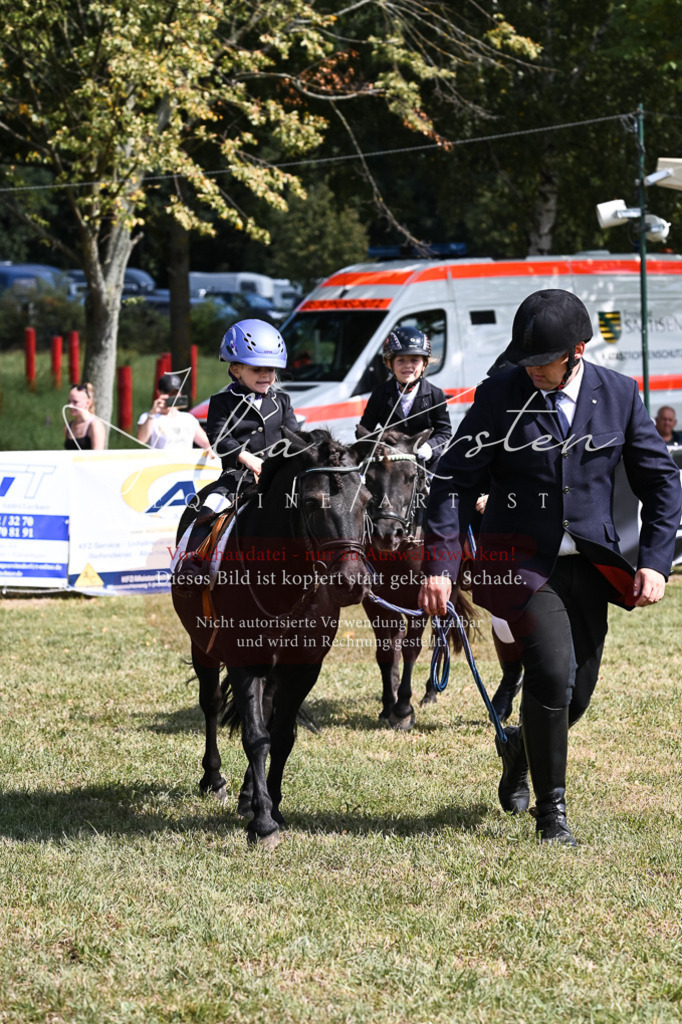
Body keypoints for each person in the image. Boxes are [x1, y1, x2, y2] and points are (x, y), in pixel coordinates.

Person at [418, 288, 681, 847]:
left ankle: (518, 746)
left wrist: (656, 561)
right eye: (526, 361)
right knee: (551, 674)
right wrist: (440, 564)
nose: (533, 371)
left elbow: (661, 482)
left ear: (578, 351)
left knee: (576, 693)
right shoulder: (498, 396)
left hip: (590, 565)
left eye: (544, 362)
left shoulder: (620, 395)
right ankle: (551, 814)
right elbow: (453, 483)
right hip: (520, 562)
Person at [205, 318, 300, 499]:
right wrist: (246, 457)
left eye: (271, 369)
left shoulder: (282, 401)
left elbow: (296, 436)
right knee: (209, 509)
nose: (265, 375)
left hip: (280, 476)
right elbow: (219, 439)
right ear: (236, 370)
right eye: (257, 369)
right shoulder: (221, 402)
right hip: (237, 479)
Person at [356, 326, 452, 467]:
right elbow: (365, 429)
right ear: (390, 364)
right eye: (401, 360)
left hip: (425, 464)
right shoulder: (380, 393)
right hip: (389, 464)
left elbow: (444, 432)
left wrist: (430, 448)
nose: (408, 366)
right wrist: (373, 448)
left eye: (414, 360)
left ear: (424, 364)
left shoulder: (435, 394)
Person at [137, 372, 210, 450]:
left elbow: (206, 443)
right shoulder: (148, 417)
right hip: (161, 461)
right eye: (168, 392)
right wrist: (152, 413)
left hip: (185, 462)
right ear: (159, 393)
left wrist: (209, 449)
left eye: (175, 393)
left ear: (180, 394)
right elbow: (141, 440)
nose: (172, 396)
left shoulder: (188, 418)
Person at [64, 381, 106, 450]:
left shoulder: (95, 425)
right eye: (69, 401)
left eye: (75, 402)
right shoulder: (68, 427)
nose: (70, 405)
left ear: (88, 403)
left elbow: (98, 457)